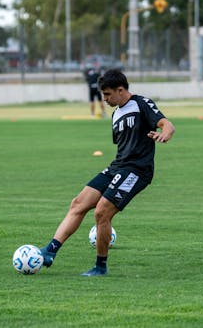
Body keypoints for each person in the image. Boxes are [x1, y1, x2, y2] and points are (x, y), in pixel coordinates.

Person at [40, 69, 175, 276]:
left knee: (102, 211)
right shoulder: (116, 114)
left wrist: (164, 134)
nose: (105, 99)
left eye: (108, 95)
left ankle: (100, 267)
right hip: (117, 167)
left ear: (121, 90)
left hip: (137, 170)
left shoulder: (141, 104)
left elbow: (167, 124)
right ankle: (50, 251)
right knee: (78, 203)